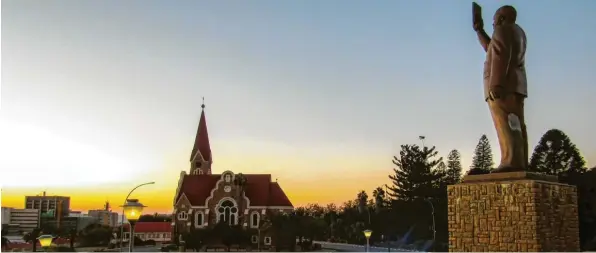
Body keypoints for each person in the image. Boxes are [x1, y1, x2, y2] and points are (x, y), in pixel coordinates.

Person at [473, 5, 528, 173]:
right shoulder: (517, 32)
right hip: (515, 86)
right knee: (517, 125)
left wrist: (496, 84)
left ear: (501, 18)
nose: (493, 23)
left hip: (502, 87)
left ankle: (510, 161)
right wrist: (479, 31)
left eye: (494, 19)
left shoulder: (503, 31)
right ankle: (520, 161)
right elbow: (492, 48)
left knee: (504, 123)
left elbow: (500, 55)